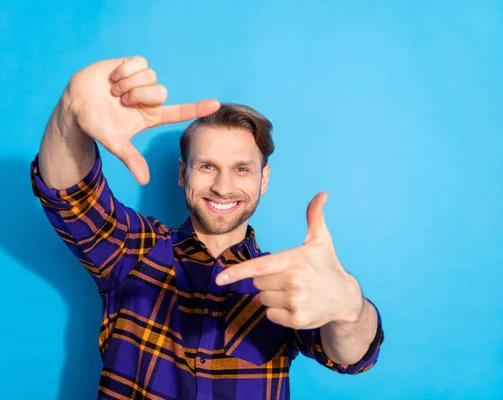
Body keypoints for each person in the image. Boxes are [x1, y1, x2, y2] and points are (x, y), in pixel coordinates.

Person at [30, 55, 384, 400]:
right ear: (183, 173)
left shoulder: (286, 282)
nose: (223, 187)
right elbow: (70, 197)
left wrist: (350, 309)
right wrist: (69, 115)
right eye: (208, 167)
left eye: (242, 169)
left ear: (264, 180)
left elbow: (349, 356)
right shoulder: (133, 249)